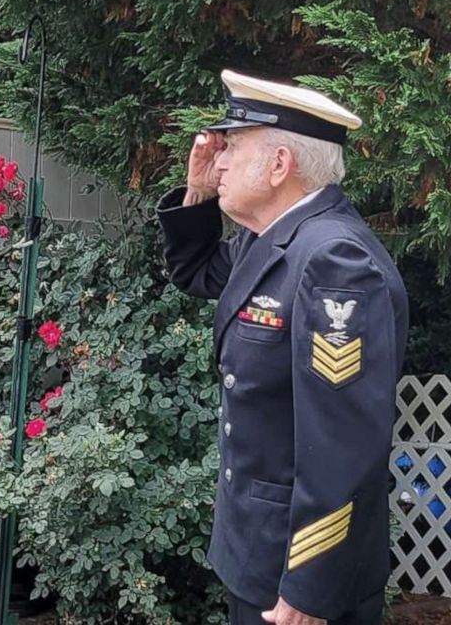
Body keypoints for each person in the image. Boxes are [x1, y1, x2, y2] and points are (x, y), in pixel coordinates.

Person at [156, 70, 409, 625]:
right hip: (258, 554)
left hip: (297, 575)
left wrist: (309, 589)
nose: (217, 158)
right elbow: (197, 272)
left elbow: (343, 447)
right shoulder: (272, 239)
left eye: (232, 147)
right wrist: (197, 193)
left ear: (278, 166)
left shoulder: (334, 262)